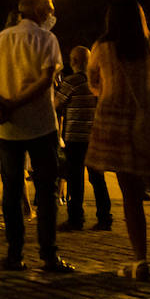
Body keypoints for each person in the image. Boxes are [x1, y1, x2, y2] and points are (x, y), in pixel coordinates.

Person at [85, 0, 150, 282]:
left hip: (115, 124)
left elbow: (93, 81)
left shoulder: (102, 48)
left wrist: (109, 91)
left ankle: (140, 261)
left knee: (130, 197)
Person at [0, 0, 74, 273]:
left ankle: (14, 254)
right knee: (46, 192)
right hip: (39, 125)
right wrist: (17, 103)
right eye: (49, 8)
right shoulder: (47, 39)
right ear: (36, 9)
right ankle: (48, 254)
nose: (52, 13)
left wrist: (1, 104)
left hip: (7, 128)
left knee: (11, 191)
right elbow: (47, 79)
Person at [54, 46, 112, 231]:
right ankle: (104, 218)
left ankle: (76, 219)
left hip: (75, 137)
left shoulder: (72, 82)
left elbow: (56, 104)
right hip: (95, 136)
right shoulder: (99, 82)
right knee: (98, 178)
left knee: (75, 179)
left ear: (74, 62)